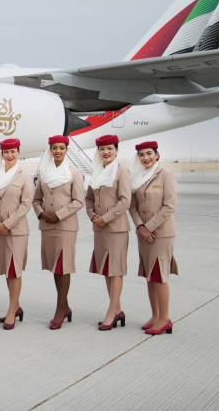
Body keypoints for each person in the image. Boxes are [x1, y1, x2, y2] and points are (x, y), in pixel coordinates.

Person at [33, 135, 85, 330]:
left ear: (66, 150)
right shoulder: (44, 173)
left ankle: (60, 309)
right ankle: (65, 306)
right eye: (55, 148)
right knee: (55, 267)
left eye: (61, 148)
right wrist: (41, 214)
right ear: (50, 150)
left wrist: (59, 215)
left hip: (65, 226)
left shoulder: (74, 173)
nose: (58, 151)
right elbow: (36, 200)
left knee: (63, 266)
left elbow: (79, 201)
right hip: (47, 226)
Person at [129, 140, 178, 336]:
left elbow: (169, 206)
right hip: (143, 234)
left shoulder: (165, 175)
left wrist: (148, 227)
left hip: (161, 234)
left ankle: (165, 319)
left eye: (149, 154)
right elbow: (132, 206)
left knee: (159, 275)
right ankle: (155, 315)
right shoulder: (138, 177)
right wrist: (140, 226)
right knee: (150, 276)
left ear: (157, 155)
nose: (145, 158)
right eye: (141, 155)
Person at [86, 134, 132, 331]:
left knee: (116, 270)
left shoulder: (121, 171)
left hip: (116, 229)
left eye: (109, 149)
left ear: (116, 150)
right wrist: (92, 215)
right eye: (102, 149)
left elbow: (125, 201)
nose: (106, 152)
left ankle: (111, 312)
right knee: (106, 269)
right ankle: (118, 309)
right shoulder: (96, 171)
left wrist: (104, 218)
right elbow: (88, 198)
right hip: (100, 229)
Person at [0, 138, 33, 330]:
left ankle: (12, 310)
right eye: (6, 152)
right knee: (7, 269)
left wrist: (8, 223)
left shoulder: (24, 175)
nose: (10, 155)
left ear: (18, 152)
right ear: (2, 154)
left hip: (16, 230)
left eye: (13, 151)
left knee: (14, 269)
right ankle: (16, 305)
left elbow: (26, 204)